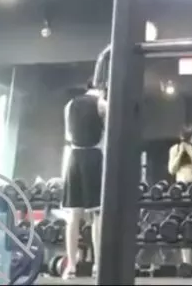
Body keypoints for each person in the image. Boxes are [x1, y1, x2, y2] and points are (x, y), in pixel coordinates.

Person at [62, 81, 106, 280]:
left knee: (74, 215)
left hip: (74, 157)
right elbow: (111, 132)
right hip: (93, 156)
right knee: (97, 214)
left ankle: (71, 266)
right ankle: (98, 265)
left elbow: (68, 135)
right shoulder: (102, 104)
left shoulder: (70, 104)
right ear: (101, 89)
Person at [168, 125, 192, 268]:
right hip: (180, 191)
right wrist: (180, 153)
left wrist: (190, 153)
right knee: (182, 229)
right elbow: (172, 170)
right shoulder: (175, 149)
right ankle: (186, 265)